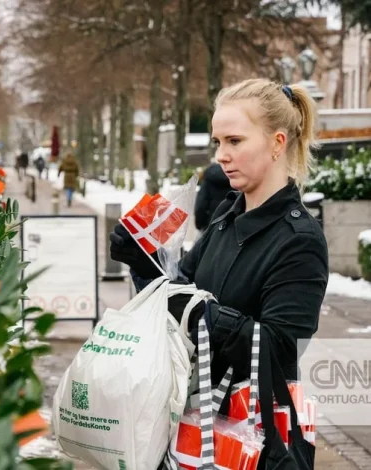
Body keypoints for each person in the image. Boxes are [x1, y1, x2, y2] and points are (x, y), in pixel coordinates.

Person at [110, 79, 328, 468]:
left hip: (254, 442)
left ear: (277, 143)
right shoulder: (227, 214)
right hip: (193, 428)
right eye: (217, 142)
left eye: (235, 141)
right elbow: (181, 293)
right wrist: (145, 263)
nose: (221, 155)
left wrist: (199, 312)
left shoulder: (300, 240)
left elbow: (279, 349)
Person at [195, 161, 233, 232]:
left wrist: (199, 225)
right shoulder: (235, 178)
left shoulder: (208, 179)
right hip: (234, 224)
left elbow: (201, 205)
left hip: (211, 225)